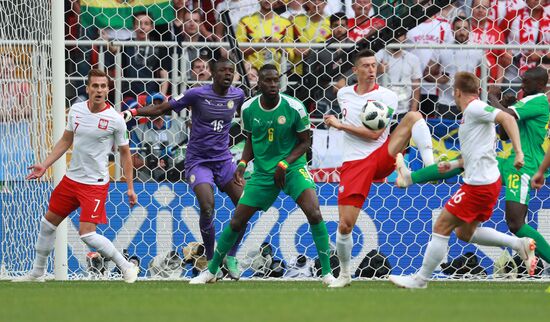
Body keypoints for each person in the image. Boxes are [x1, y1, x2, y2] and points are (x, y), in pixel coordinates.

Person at [389, 72, 538, 289]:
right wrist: (452, 165)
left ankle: (420, 280)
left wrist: (518, 152)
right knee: (464, 232)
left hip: (479, 186)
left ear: (456, 92)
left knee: (441, 225)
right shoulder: (472, 114)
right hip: (486, 182)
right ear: (478, 90)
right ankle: (518, 244)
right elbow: (474, 153)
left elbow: (507, 118)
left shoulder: (475, 108)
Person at [189, 64, 335, 285]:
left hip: (292, 167)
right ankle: (211, 271)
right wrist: (243, 162)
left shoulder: (294, 107)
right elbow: (251, 139)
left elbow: (306, 142)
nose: (273, 84)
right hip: (264, 172)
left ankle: (326, 274)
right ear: (259, 84)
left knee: (314, 212)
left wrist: (285, 163)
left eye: (276, 80)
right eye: (268, 80)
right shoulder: (248, 109)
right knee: (238, 220)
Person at [123, 59, 245, 279]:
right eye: (222, 70)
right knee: (208, 207)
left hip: (224, 161)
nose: (227, 74)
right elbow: (161, 107)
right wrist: (134, 113)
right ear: (213, 74)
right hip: (199, 161)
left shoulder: (238, 96)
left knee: (246, 206)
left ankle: (232, 256)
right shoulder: (196, 94)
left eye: (231, 71)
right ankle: (210, 262)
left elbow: (246, 125)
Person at [322, 49, 435, 288]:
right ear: (355, 70)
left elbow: (375, 134)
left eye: (374, 65)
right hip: (354, 163)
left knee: (414, 115)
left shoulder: (387, 96)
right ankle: (344, 274)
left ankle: (430, 166)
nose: (371, 70)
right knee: (345, 225)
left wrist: (339, 125)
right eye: (365, 66)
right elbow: (336, 88)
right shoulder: (343, 94)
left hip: (381, 154)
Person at [14, 69, 139, 282]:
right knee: (48, 224)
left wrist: (130, 186)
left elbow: (126, 155)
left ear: (108, 89)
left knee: (87, 235)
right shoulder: (76, 110)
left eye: (103, 86)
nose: (99, 90)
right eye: (95, 86)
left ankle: (126, 266)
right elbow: (65, 140)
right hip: (71, 180)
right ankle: (37, 272)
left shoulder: (115, 120)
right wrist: (45, 165)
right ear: (88, 88)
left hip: (95, 184)